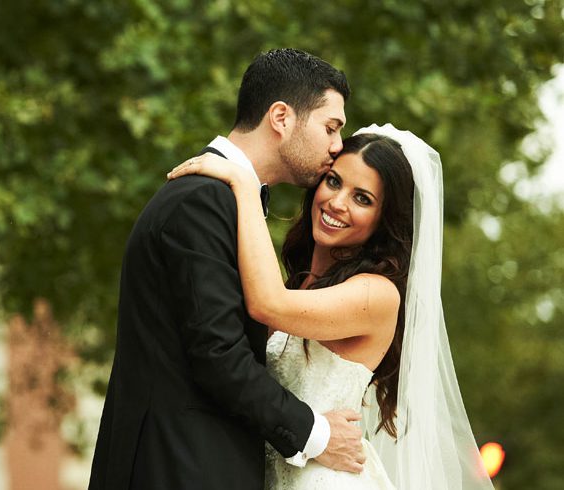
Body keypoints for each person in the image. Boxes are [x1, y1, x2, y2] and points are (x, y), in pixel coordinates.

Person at [88, 49, 365, 490]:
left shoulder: (225, 198)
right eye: (330, 127)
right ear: (281, 117)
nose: (337, 146)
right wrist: (319, 435)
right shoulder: (203, 200)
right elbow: (217, 355)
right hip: (176, 467)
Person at [167, 124, 494, 489]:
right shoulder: (301, 282)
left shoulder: (377, 295)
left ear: (385, 221)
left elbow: (268, 306)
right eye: (335, 182)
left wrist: (244, 184)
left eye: (363, 199)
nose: (337, 203)